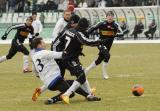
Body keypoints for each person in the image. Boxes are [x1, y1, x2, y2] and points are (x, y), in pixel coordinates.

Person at [31, 37, 101, 105]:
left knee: (73, 83)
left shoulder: (34, 56)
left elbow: (35, 70)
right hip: (56, 80)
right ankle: (52, 99)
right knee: (70, 93)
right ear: (39, 45)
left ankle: (88, 96)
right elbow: (62, 55)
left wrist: (40, 75)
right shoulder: (44, 52)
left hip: (48, 83)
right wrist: (75, 51)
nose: (45, 44)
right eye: (43, 42)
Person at [59, 18, 107, 104]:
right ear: (83, 27)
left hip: (67, 56)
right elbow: (86, 41)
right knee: (81, 77)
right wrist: (99, 42)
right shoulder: (78, 33)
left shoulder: (70, 30)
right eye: (86, 27)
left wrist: (76, 51)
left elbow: (64, 42)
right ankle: (66, 94)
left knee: (82, 74)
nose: (86, 29)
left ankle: (89, 93)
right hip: (70, 59)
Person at [85, 11, 123, 79]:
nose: (110, 17)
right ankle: (104, 74)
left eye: (111, 16)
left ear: (113, 17)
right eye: (108, 16)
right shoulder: (101, 23)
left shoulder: (115, 25)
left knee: (99, 60)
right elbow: (92, 28)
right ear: (106, 17)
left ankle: (86, 71)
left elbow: (121, 33)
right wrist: (85, 34)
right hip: (100, 43)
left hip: (108, 45)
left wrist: (115, 35)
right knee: (107, 55)